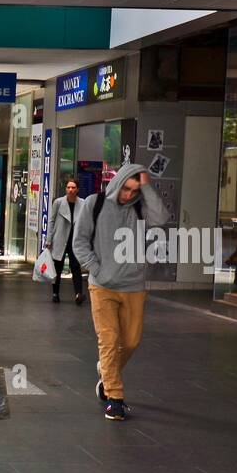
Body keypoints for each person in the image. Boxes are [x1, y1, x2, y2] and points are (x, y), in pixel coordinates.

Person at [72, 162, 169, 422]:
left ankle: (106, 371)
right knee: (109, 340)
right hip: (102, 286)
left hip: (134, 286)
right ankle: (114, 398)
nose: (128, 194)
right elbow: (79, 242)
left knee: (131, 341)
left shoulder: (140, 206)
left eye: (134, 190)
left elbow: (161, 218)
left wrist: (146, 186)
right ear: (118, 182)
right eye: (126, 188)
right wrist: (97, 269)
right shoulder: (95, 203)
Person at [45, 178, 86, 304]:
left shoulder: (83, 203)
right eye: (68, 187)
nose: (70, 190)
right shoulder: (58, 202)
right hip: (60, 239)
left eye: (73, 187)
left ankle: (78, 294)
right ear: (66, 189)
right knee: (57, 268)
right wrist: (49, 239)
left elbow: (85, 223)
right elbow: (51, 221)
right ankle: (55, 293)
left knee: (76, 268)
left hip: (75, 241)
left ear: (77, 189)